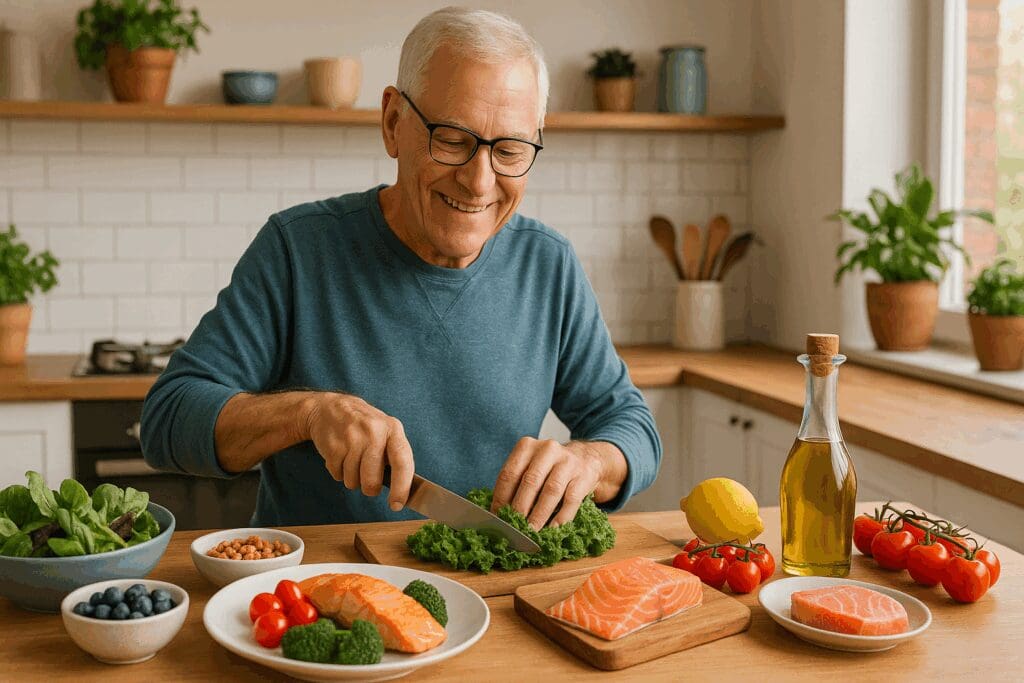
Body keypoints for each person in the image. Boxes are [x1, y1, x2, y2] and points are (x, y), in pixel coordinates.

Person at [140, 6, 661, 530]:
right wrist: (310, 414)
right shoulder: (298, 249)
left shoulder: (548, 265)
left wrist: (590, 462)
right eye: (453, 140)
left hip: (489, 591)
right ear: (393, 123)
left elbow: (631, 426)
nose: (480, 183)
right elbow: (168, 419)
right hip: (315, 592)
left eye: (508, 150)